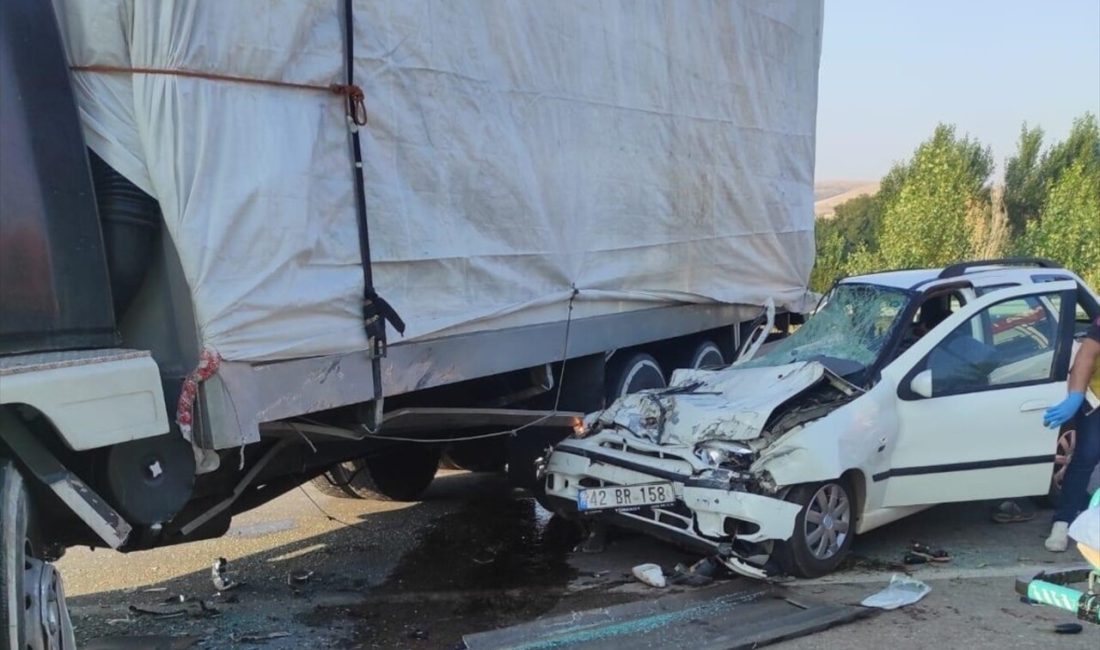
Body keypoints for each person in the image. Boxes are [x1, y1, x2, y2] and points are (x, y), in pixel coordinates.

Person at [1043, 314, 1100, 552]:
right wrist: (1075, 395)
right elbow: (1086, 354)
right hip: (1097, 396)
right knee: (1087, 455)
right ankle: (1062, 522)